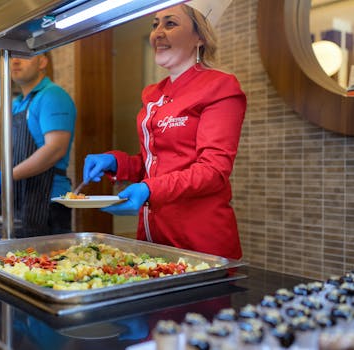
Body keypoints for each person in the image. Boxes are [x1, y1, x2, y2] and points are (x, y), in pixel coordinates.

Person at [82, 0, 246, 260]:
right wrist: (117, 162)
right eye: (155, 24)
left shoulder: (220, 86)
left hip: (198, 242)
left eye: (170, 23)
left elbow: (214, 170)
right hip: (151, 238)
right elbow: (155, 164)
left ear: (199, 37)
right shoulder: (153, 94)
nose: (158, 33)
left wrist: (149, 189)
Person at [0, 52, 76, 238]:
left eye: (24, 55)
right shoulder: (16, 104)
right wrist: (2, 186)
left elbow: (55, 149)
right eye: (12, 55)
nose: (14, 61)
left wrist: (7, 177)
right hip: (19, 201)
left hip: (47, 202)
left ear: (42, 61)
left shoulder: (53, 96)